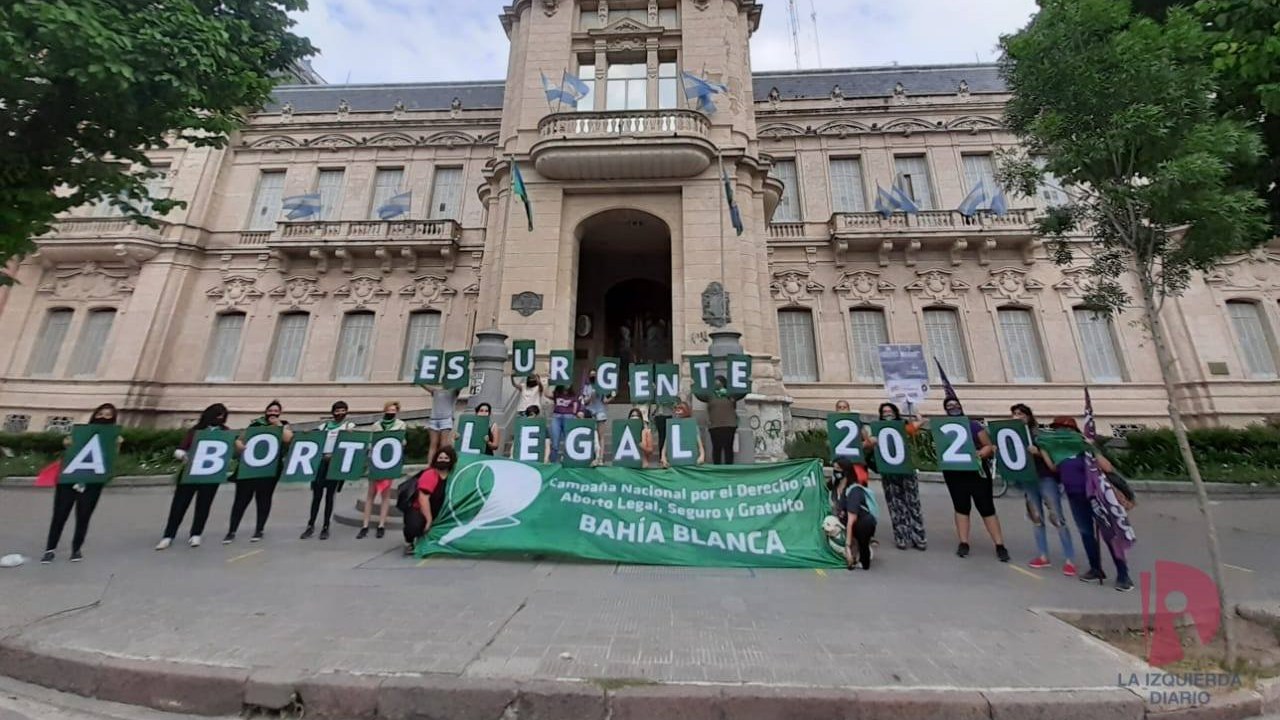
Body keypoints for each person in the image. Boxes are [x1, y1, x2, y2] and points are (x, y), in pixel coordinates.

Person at [1041, 417, 1133, 592]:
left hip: (1095, 495)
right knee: (1086, 533)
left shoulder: (1083, 447)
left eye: (1064, 429)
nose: (1060, 432)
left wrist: (1091, 448)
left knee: (1109, 533)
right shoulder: (1057, 449)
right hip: (1074, 496)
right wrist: (1043, 451)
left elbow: (1107, 467)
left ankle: (1123, 574)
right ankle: (1095, 568)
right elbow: (1054, 469)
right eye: (1057, 429)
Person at [932, 397, 1009, 562]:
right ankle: (964, 542)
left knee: (986, 507)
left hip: (977, 472)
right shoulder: (942, 427)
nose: (953, 407)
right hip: (954, 472)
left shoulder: (973, 425)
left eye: (955, 404)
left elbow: (989, 446)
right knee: (961, 507)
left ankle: (999, 544)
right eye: (949, 406)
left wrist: (982, 452)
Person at [42, 403, 120, 563]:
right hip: (69, 480)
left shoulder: (113, 437)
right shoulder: (80, 433)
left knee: (83, 516)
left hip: (92, 482)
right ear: (94, 415)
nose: (103, 417)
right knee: (59, 515)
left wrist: (117, 444)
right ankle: (50, 549)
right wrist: (67, 444)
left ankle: (76, 549)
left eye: (108, 415)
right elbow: (69, 453)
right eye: (100, 414)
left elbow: (110, 461)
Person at [1011, 404, 1076, 575]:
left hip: (1045, 478)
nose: (1017, 417)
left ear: (1028, 416)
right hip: (1028, 480)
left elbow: (1053, 455)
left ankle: (1070, 558)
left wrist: (1038, 452)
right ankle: (1043, 555)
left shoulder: (1039, 434)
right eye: (1014, 414)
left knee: (1057, 517)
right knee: (1036, 518)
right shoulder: (1013, 436)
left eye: (1020, 414)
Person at [156, 403, 229, 550]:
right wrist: (182, 455)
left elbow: (231, 448)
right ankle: (168, 535)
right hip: (190, 472)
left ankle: (196, 534)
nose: (220, 418)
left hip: (210, 475)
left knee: (204, 505)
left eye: (222, 415)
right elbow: (182, 448)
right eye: (217, 415)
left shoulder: (225, 432)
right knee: (179, 505)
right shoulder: (196, 430)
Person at [224, 400, 292, 544]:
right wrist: (239, 444)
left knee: (263, 500)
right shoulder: (254, 425)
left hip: (269, 470)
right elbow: (241, 440)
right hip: (248, 468)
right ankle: (232, 530)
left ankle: (259, 529)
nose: (272, 413)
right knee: (240, 501)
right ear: (265, 411)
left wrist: (278, 425)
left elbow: (288, 439)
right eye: (270, 410)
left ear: (280, 413)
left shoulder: (283, 425)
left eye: (276, 411)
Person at [862, 402, 927, 551]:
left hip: (906, 471)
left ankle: (919, 537)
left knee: (913, 505)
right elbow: (867, 444)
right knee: (896, 506)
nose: (887, 413)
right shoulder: (878, 430)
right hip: (889, 472)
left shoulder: (902, 427)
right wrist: (868, 441)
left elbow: (917, 425)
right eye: (884, 412)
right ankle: (901, 537)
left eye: (890, 411)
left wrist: (918, 416)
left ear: (895, 412)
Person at [302, 401, 356, 541]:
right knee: (316, 496)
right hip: (321, 463)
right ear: (333, 412)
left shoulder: (348, 425)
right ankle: (310, 524)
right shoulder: (324, 426)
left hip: (334, 464)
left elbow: (352, 441)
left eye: (343, 410)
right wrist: (307, 433)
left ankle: (326, 526)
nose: (340, 413)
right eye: (337, 410)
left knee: (329, 497)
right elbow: (314, 438)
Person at [357, 401, 405, 540]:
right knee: (370, 495)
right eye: (389, 409)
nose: (391, 412)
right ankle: (365, 525)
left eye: (394, 410)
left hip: (389, 461)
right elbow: (372, 442)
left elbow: (401, 442)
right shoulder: (377, 425)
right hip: (376, 461)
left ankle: (381, 525)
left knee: (385, 495)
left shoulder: (400, 424)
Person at [403, 447, 456, 555]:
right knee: (414, 526)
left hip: (443, 511)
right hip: (421, 509)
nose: (443, 460)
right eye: (440, 457)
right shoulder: (430, 474)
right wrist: (428, 519)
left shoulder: (453, 476)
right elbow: (423, 498)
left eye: (446, 458)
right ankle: (409, 542)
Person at [835, 458, 877, 570]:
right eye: (834, 468)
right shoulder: (840, 487)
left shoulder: (854, 491)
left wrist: (847, 546)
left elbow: (851, 520)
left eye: (838, 469)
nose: (835, 471)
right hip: (851, 522)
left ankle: (862, 557)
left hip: (862, 524)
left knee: (863, 549)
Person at [706, 376, 738, 465]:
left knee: (728, 448)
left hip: (729, 425)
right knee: (716, 448)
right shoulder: (710, 395)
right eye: (715, 382)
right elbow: (700, 396)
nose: (717, 384)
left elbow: (735, 404)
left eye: (718, 382)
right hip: (715, 425)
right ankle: (717, 467)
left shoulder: (730, 395)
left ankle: (728, 468)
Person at [661, 402, 705, 466]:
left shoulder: (691, 425)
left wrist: (702, 456)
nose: (677, 412)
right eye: (676, 409)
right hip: (675, 463)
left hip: (690, 461)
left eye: (680, 409)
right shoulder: (672, 425)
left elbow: (699, 444)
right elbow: (666, 444)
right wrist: (663, 457)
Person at [548, 385, 579, 462]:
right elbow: (546, 394)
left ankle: (567, 460)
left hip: (569, 417)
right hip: (556, 417)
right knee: (555, 441)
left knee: (568, 440)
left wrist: (574, 416)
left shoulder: (573, 395)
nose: (567, 385)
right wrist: (547, 384)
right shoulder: (557, 393)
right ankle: (553, 461)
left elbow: (575, 407)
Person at [426, 386, 457, 462]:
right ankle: (430, 466)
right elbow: (424, 385)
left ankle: (444, 463)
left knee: (444, 444)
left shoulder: (453, 391)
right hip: (434, 419)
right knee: (433, 444)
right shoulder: (436, 391)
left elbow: (460, 386)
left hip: (446, 419)